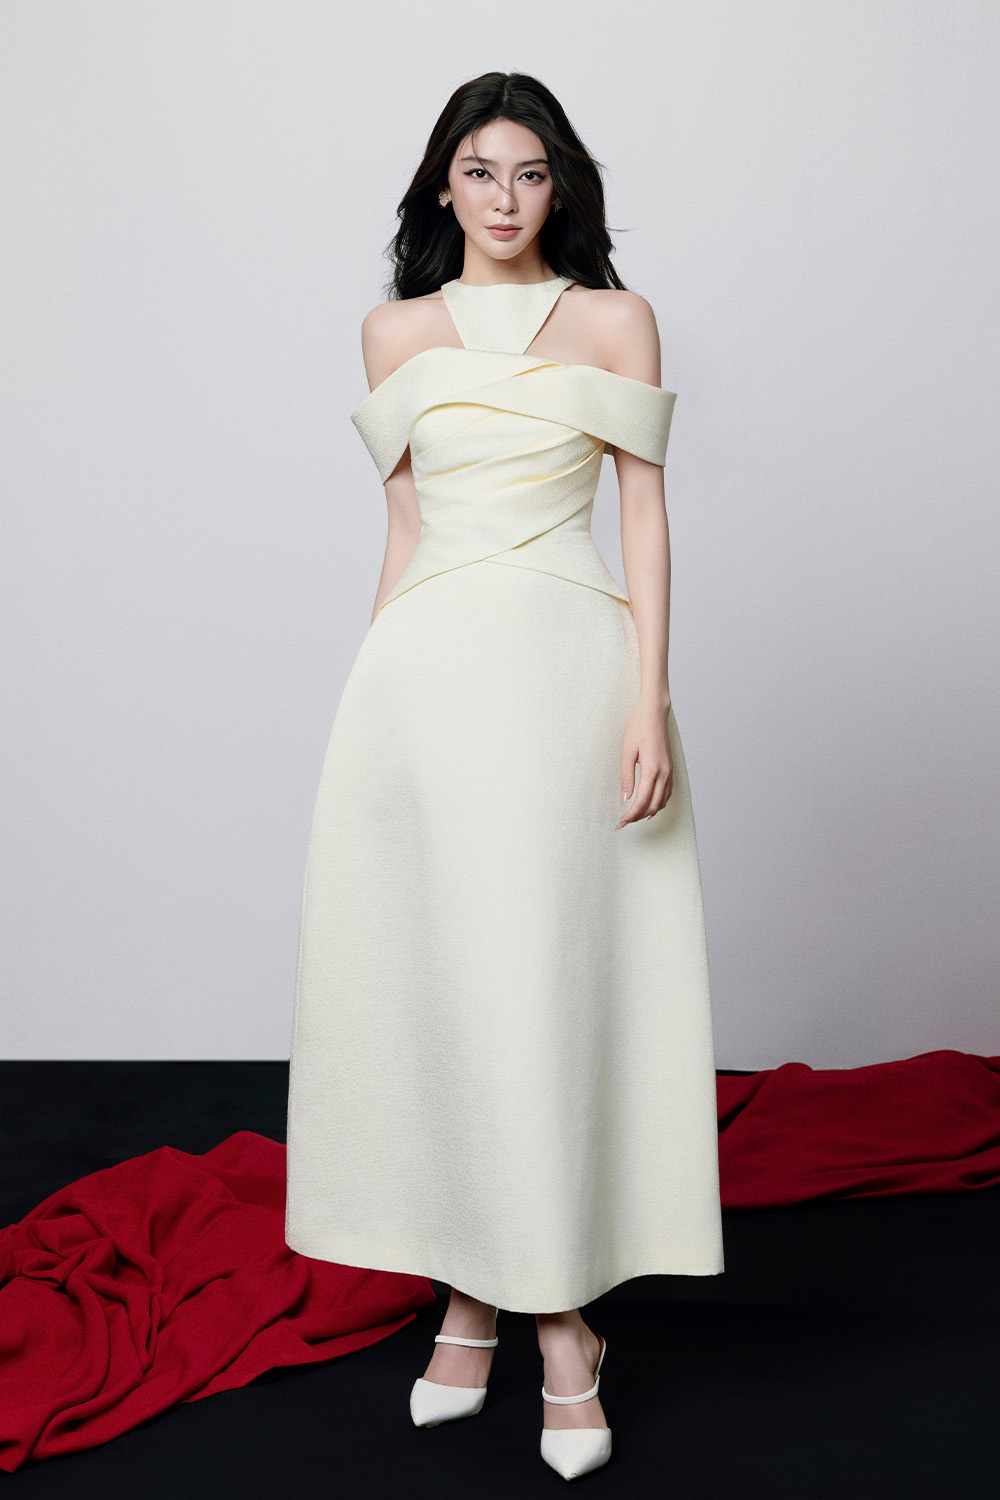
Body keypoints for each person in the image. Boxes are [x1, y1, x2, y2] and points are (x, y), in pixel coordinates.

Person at [284, 70, 724, 1481]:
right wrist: (370, 711)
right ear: (443, 186)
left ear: (561, 187)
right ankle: (483, 1300)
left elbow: (643, 516)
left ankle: (549, 1325)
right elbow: (405, 530)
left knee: (538, 981)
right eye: (480, 172)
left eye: (531, 174)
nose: (506, 199)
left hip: (566, 674)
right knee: (447, 984)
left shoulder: (615, 317)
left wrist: (650, 696)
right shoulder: (393, 331)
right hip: (426, 675)